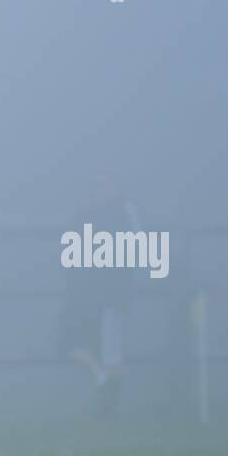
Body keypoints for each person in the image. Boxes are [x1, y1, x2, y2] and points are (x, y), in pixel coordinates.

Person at [56, 174, 141, 419]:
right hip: (90, 294)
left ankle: (106, 405)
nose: (100, 191)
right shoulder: (87, 215)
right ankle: (103, 386)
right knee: (71, 341)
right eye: (97, 186)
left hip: (112, 293)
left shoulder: (124, 212)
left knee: (111, 348)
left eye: (105, 185)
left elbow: (135, 246)